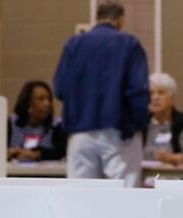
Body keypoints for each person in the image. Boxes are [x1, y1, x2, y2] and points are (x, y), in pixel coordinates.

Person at [54, 1, 149, 187]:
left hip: (80, 133)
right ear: (120, 21)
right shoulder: (129, 44)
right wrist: (140, 124)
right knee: (123, 195)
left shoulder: (74, 44)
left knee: (80, 196)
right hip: (119, 131)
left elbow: (60, 88)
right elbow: (137, 91)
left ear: (96, 19)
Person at [143, 72, 183, 166]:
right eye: (151, 93)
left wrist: (170, 158)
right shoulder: (141, 122)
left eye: (161, 93)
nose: (155, 97)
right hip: (144, 175)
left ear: (172, 98)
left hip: (176, 175)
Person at [7, 80, 67, 162]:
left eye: (49, 99)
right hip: (15, 172)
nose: (47, 103)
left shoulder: (57, 125)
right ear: (28, 103)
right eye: (41, 99)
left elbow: (62, 152)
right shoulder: (11, 123)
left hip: (46, 173)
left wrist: (36, 155)